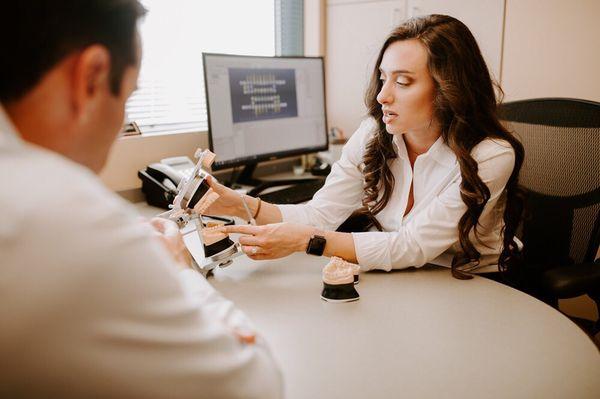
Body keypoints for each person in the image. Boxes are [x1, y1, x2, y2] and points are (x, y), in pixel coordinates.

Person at [0, 1, 282, 398]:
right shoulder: (63, 215)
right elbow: (252, 386)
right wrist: (178, 269)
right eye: (128, 95)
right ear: (92, 77)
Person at [206, 14, 525, 279]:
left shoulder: (490, 155)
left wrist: (306, 241)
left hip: (476, 282)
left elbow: (411, 246)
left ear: (449, 89)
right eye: (383, 78)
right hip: (404, 275)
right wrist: (240, 205)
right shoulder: (373, 134)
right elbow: (321, 215)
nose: (382, 96)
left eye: (403, 82)